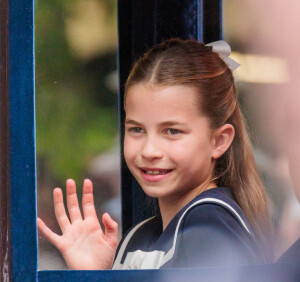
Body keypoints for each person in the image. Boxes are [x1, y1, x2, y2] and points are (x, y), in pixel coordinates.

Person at [37, 38, 272, 270]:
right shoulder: (141, 235)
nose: (149, 151)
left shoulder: (210, 226)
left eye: (172, 131)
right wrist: (98, 278)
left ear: (218, 141)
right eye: (137, 129)